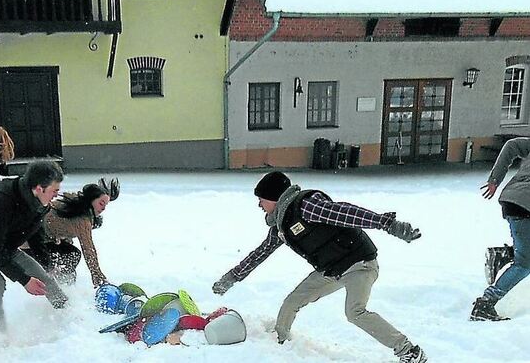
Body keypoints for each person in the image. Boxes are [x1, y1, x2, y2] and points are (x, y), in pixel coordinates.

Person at [212, 171, 427, 363]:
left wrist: (387, 224)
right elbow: (260, 253)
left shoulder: (306, 206)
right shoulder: (281, 225)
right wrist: (231, 277)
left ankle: (409, 351)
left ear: (274, 198)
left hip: (359, 264)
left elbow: (345, 213)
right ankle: (279, 345)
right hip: (331, 271)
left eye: (261, 199)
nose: (259, 205)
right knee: (291, 302)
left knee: (354, 312)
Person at [0, 161, 68, 332]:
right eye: (55, 191)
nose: (56, 195)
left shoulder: (39, 205)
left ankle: (68, 314)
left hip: (7, 248)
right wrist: (24, 280)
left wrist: (47, 265)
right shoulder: (0, 203)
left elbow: (35, 238)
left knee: (44, 278)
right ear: (39, 188)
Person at [471, 137, 530, 321]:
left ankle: (504, 255)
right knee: (525, 263)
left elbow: (512, 145)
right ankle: (486, 303)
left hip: (513, 199)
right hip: (524, 205)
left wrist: (495, 179)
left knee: (525, 254)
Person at [23, 178, 119, 286]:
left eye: (105, 205)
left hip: (33, 240)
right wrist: (96, 273)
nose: (103, 209)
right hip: (31, 245)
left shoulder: (73, 203)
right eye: (101, 203)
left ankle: (64, 285)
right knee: (72, 255)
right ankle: (59, 287)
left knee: (70, 257)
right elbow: (88, 249)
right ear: (91, 200)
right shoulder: (82, 220)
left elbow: (58, 224)